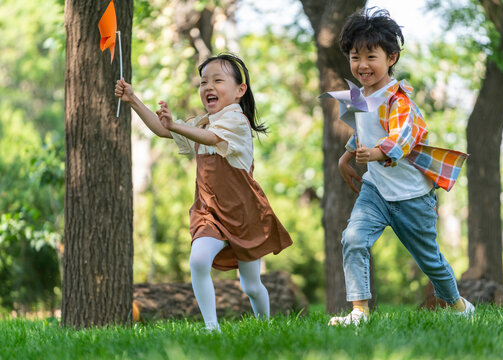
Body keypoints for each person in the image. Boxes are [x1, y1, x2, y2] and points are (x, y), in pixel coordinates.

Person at [115, 53, 292, 331]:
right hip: (208, 212)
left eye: (217, 80)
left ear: (239, 90)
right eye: (203, 82)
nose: (208, 87)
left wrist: (175, 125)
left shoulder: (236, 121)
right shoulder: (201, 123)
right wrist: (133, 100)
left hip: (243, 215)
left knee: (251, 285)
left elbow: (210, 138)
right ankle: (212, 328)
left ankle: (265, 327)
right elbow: (163, 130)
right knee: (198, 260)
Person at [325, 8, 474, 326]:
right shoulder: (360, 96)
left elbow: (402, 138)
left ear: (391, 57)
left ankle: (459, 307)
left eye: (371, 56)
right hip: (376, 190)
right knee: (353, 238)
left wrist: (378, 154)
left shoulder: (399, 99)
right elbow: (364, 131)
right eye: (355, 57)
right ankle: (359, 312)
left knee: (430, 261)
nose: (362, 65)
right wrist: (347, 155)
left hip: (411, 197)